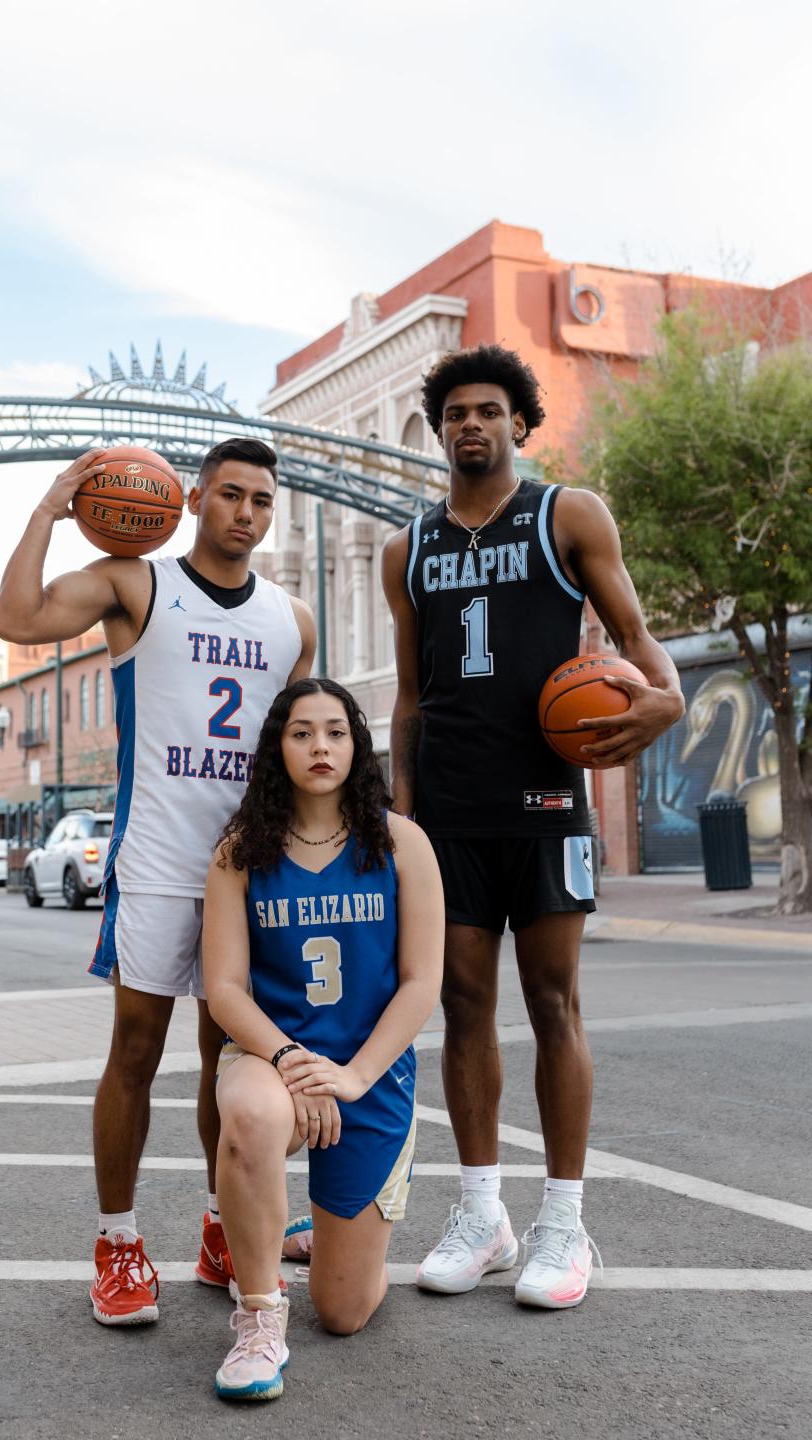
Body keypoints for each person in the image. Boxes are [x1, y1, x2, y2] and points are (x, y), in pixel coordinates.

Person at [382, 345, 684, 1309]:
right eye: (455, 413)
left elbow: (637, 644)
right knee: (462, 1008)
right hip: (450, 813)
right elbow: (409, 697)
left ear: (520, 423)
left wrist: (667, 701)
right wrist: (397, 818)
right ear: (440, 432)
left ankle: (565, 1222)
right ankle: (484, 1215)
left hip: (550, 802)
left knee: (553, 1004)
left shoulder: (569, 514)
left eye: (489, 410)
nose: (471, 424)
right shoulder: (408, 550)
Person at [0, 437, 316, 1324]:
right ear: (193, 499)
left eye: (261, 500)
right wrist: (50, 509)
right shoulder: (136, 584)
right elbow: (16, 622)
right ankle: (119, 1241)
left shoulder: (294, 618)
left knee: (232, 1063)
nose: (245, 513)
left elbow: (299, 749)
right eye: (230, 496)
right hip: (160, 862)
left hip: (250, 870)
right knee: (134, 1055)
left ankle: (223, 1228)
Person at [202, 677, 443, 1400]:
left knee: (343, 1312)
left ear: (356, 745)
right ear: (279, 746)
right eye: (302, 732)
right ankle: (259, 1319)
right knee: (248, 1115)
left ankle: (304, 1223)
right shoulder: (241, 852)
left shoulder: (402, 843)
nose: (320, 747)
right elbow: (225, 991)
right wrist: (291, 1063)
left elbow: (420, 982)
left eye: (336, 732)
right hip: (271, 1059)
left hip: (368, 1074)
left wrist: (354, 1077)